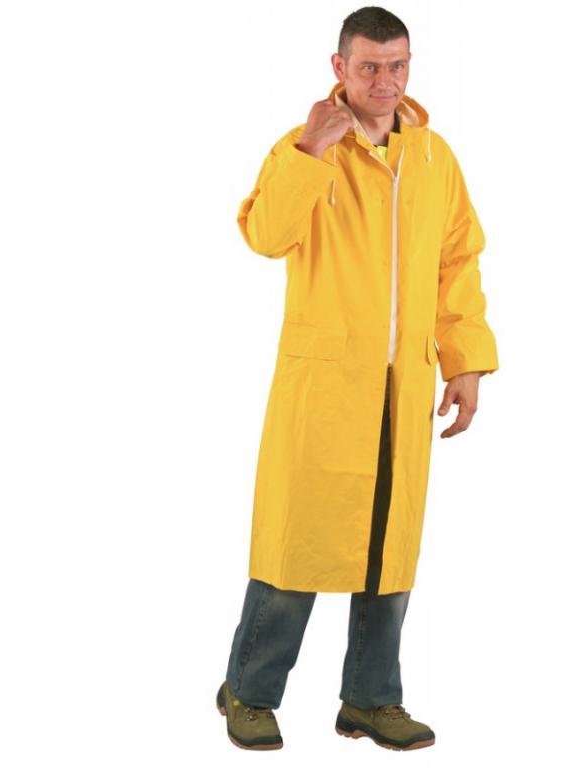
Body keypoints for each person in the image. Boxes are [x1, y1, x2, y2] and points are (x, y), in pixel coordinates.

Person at [217, 6, 499, 751]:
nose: (385, 80)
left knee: (386, 548)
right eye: (370, 66)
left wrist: (466, 359)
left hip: (403, 387)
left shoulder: (433, 157)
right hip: (326, 385)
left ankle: (371, 700)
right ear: (339, 68)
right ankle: (249, 690)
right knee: (298, 544)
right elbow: (265, 236)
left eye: (397, 65)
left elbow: (457, 264)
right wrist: (310, 151)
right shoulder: (306, 147)